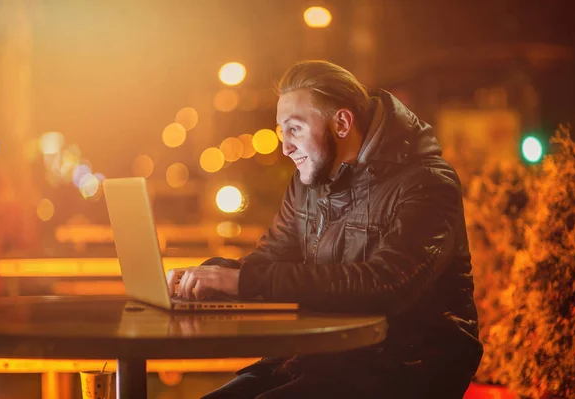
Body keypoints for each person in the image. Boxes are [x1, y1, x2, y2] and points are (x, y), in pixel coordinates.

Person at [166, 60, 484, 398]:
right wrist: (218, 276)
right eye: (281, 132)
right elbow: (272, 257)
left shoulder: (427, 182)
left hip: (408, 367)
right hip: (321, 358)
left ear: (342, 122)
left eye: (295, 129)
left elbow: (387, 283)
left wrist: (246, 280)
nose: (285, 147)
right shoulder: (310, 182)